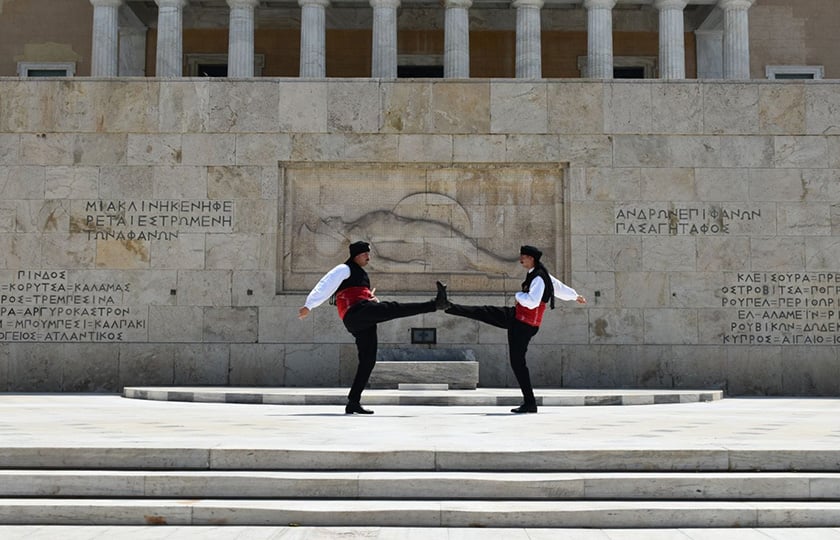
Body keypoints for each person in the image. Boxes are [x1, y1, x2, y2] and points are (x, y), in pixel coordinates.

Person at [298, 241, 450, 415]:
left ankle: (353, 402)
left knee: (368, 360)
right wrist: (309, 305)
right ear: (356, 255)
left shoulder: (362, 274)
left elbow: (357, 293)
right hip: (355, 313)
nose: (368, 258)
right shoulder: (344, 269)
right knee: (393, 308)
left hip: (363, 315)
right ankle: (435, 304)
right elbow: (325, 284)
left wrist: (372, 300)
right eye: (365, 254)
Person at [444, 245, 586, 414]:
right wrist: (574, 296)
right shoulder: (539, 274)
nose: (521, 260)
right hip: (519, 319)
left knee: (518, 363)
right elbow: (559, 287)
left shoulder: (539, 277)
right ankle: (448, 306)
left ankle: (530, 403)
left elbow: (533, 301)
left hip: (524, 324)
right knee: (485, 312)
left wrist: (518, 296)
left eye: (523, 257)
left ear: (531, 258)